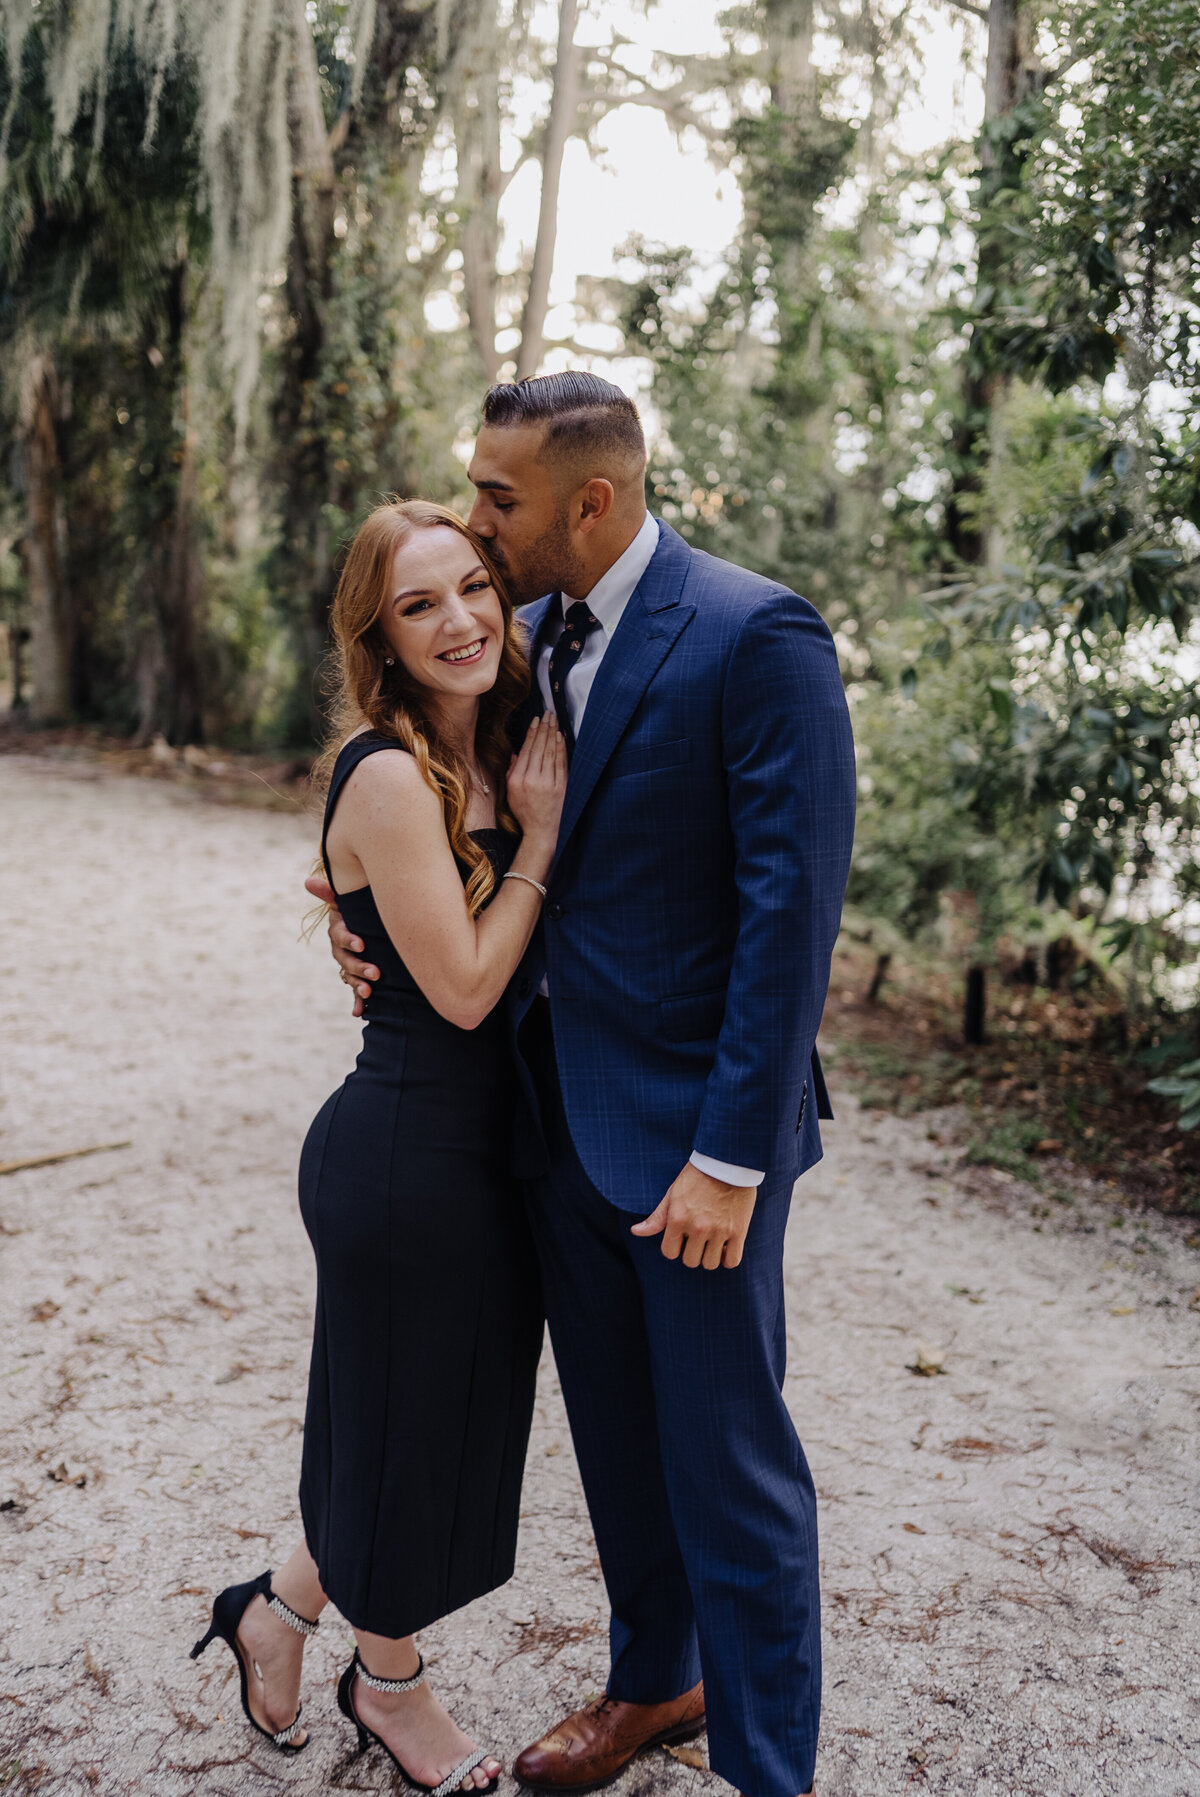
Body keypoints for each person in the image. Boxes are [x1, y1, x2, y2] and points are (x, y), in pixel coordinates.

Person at [322, 373, 856, 1797]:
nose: (477, 523)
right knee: (618, 1447)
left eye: (498, 498)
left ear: (591, 501)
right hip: (546, 1119)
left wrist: (732, 1157)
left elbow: (789, 921)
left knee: (731, 1469)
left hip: (695, 1147)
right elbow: (433, 811)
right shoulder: (521, 635)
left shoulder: (757, 634)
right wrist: (343, 901)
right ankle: (651, 1681)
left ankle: (768, 1774)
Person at [192, 500, 565, 1797]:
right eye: (420, 605)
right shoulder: (394, 773)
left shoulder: (513, 742)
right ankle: (390, 1682)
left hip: (478, 1156)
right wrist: (544, 846)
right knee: (406, 1437)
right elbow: (463, 990)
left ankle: (274, 1611)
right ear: (381, 635)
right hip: (402, 1159)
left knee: (407, 1426)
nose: (459, 620)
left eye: (473, 587)